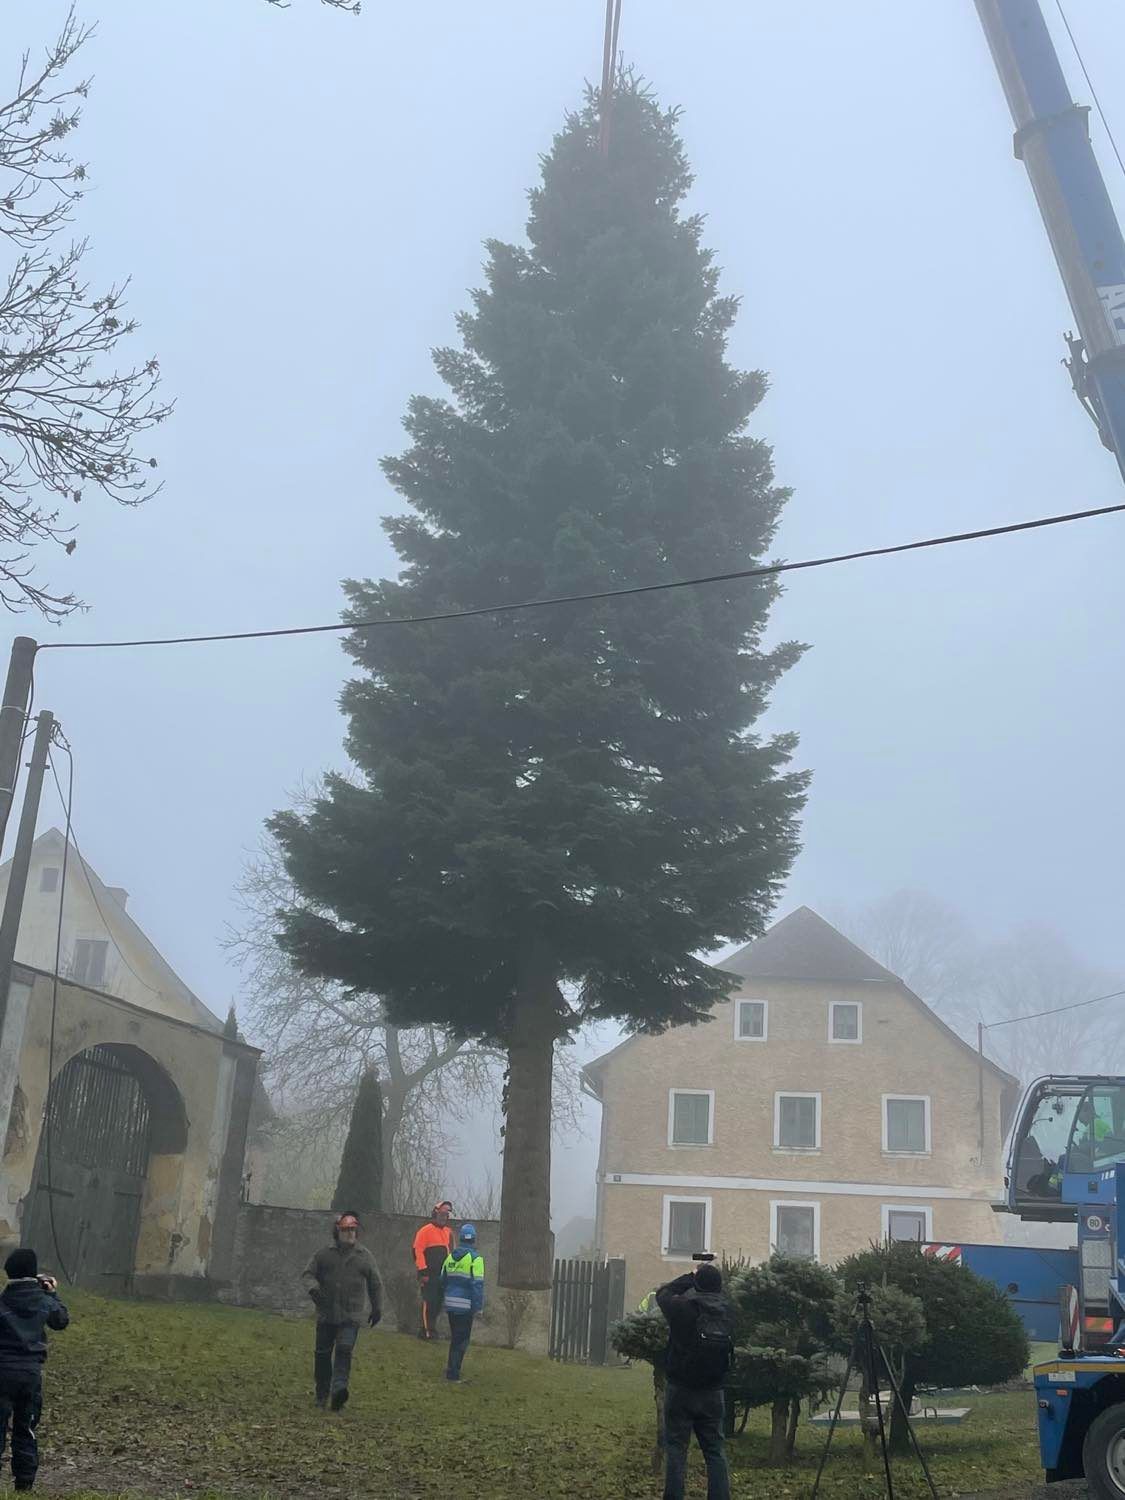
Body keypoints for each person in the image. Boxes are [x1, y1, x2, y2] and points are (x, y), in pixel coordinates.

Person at [656, 1261, 734, 1500]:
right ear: (719, 1287)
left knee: (677, 1450)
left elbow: (663, 1293)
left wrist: (690, 1277)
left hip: (681, 1389)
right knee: (714, 1452)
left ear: (696, 1285)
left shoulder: (682, 1308)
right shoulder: (729, 1312)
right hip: (713, 1391)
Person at [0, 1247, 68, 1492]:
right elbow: (61, 1320)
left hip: (3, 1371)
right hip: (30, 1373)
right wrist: (53, 1294)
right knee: (26, 1427)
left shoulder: (3, 1300)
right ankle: (25, 1483)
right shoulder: (43, 1300)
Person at [301, 1211, 382, 1411]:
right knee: (322, 1355)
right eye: (346, 1230)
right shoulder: (323, 1255)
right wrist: (313, 1289)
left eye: (353, 1230)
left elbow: (375, 1283)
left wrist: (377, 1308)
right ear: (337, 1231)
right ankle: (322, 1394)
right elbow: (307, 1274)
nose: (350, 1233)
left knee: (344, 1350)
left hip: (350, 1317)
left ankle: (339, 1391)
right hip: (326, 1314)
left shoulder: (365, 1257)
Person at [440, 1223, 484, 1384]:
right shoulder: (476, 1259)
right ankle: (453, 1374)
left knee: (455, 1338)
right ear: (474, 1239)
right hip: (465, 1307)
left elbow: (442, 1280)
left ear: (460, 1239)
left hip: (450, 1305)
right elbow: (477, 1285)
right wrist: (478, 1307)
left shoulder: (449, 1257)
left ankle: (451, 1368)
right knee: (462, 1340)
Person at [412, 1201, 454, 1341]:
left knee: (437, 1303)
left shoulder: (448, 1232)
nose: (444, 1217)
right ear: (435, 1213)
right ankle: (426, 1331)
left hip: (442, 1275)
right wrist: (423, 1272)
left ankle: (432, 1328)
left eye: (446, 1215)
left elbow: (451, 1253)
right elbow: (417, 1251)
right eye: (442, 1214)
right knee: (428, 1302)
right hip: (428, 1275)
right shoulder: (425, 1231)